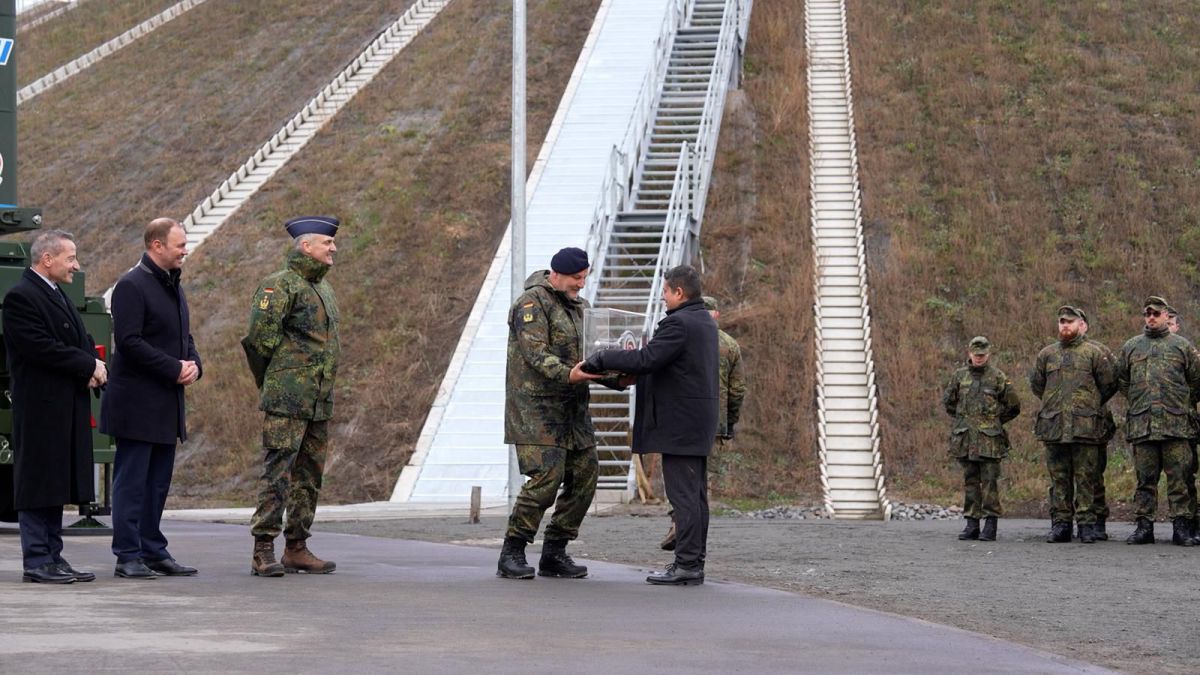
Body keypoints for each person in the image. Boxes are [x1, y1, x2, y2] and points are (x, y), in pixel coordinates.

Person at [587, 265, 718, 585]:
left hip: (681, 425)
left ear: (679, 293)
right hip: (696, 422)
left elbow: (647, 360)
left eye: (665, 292)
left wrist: (604, 357)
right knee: (696, 495)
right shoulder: (702, 321)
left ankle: (687, 565)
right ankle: (693, 562)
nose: (662, 298)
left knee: (684, 497)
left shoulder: (680, 325)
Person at [497, 246, 622, 580]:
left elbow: (594, 356)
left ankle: (555, 551)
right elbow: (535, 354)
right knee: (545, 481)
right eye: (576, 278)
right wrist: (570, 374)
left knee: (585, 477)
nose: (581, 285)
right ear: (558, 274)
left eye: (584, 278)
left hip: (574, 413)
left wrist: (621, 375)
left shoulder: (581, 309)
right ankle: (513, 549)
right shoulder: (531, 304)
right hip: (537, 413)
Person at [2, 230, 106, 583]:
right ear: (47, 259)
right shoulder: (21, 297)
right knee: (38, 482)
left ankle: (54, 556)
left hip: (63, 405)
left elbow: (80, 339)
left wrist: (94, 363)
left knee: (57, 482)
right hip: (41, 408)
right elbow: (40, 348)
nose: (76, 265)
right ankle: (36, 560)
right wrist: (86, 365)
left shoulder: (55, 293)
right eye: (70, 257)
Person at [101, 218, 201, 579]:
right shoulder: (132, 285)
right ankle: (127, 554)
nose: (184, 250)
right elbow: (129, 342)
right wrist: (173, 368)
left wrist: (193, 366)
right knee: (132, 482)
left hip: (165, 405)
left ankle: (153, 549)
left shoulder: (173, 285)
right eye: (179, 245)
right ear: (157, 246)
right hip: (137, 405)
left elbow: (183, 337)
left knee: (158, 483)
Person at [242, 216, 341, 576]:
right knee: (278, 473)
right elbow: (258, 343)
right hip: (288, 400)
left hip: (318, 402)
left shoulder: (323, 289)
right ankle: (263, 548)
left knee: (309, 476)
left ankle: (296, 547)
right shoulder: (279, 286)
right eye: (327, 243)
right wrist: (276, 383)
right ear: (305, 246)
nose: (333, 248)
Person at [661, 295, 745, 552]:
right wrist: (730, 423)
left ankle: (680, 527)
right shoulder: (729, 345)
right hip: (715, 425)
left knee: (681, 482)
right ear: (716, 314)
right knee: (700, 485)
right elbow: (737, 390)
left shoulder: (681, 335)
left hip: (684, 422)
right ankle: (693, 545)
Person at [1115, 296, 1200, 546]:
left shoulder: (1182, 347)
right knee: (1145, 480)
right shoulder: (1131, 347)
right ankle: (1144, 527)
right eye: (1147, 314)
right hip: (1144, 426)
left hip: (1176, 426)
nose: (1151, 318)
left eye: (1156, 313)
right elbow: (1122, 381)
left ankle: (1182, 528)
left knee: (1180, 479)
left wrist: (1180, 403)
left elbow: (1196, 382)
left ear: (1166, 316)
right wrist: (1138, 400)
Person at [1029, 306, 1117, 544]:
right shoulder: (1047, 355)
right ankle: (1061, 524)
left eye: (1070, 321)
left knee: (1086, 476)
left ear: (1081, 324)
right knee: (1058, 478)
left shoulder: (1093, 353)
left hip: (1085, 427)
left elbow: (1108, 385)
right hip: (1055, 427)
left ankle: (1087, 524)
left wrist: (1088, 406)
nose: (1065, 325)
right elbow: (1038, 386)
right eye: (1061, 322)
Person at [941, 336, 1020, 542]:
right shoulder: (959, 377)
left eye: (982, 355)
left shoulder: (997, 377)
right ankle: (972, 523)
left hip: (989, 441)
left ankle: (990, 525)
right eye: (976, 355)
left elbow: (1013, 406)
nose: (979, 358)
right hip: (966, 439)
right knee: (970, 481)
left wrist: (993, 422)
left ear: (989, 354)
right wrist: (964, 421)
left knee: (990, 482)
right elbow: (949, 403)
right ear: (969, 354)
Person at [1077, 315, 1118, 541]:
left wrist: (1094, 404)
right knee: (1064, 477)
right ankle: (1064, 520)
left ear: (1085, 325)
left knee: (1094, 474)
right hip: (1065, 424)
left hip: (1095, 423)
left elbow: (1113, 381)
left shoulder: (1099, 351)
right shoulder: (1055, 353)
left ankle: (1098, 520)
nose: (1076, 326)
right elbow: (1039, 385)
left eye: (1081, 322)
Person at [1166, 308, 1200, 544]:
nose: (1166, 326)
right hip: (1166, 424)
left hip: (1185, 422)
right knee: (1183, 474)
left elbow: (1196, 384)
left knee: (1187, 476)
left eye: (1171, 323)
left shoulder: (1186, 352)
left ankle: (1192, 523)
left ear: (1177, 326)